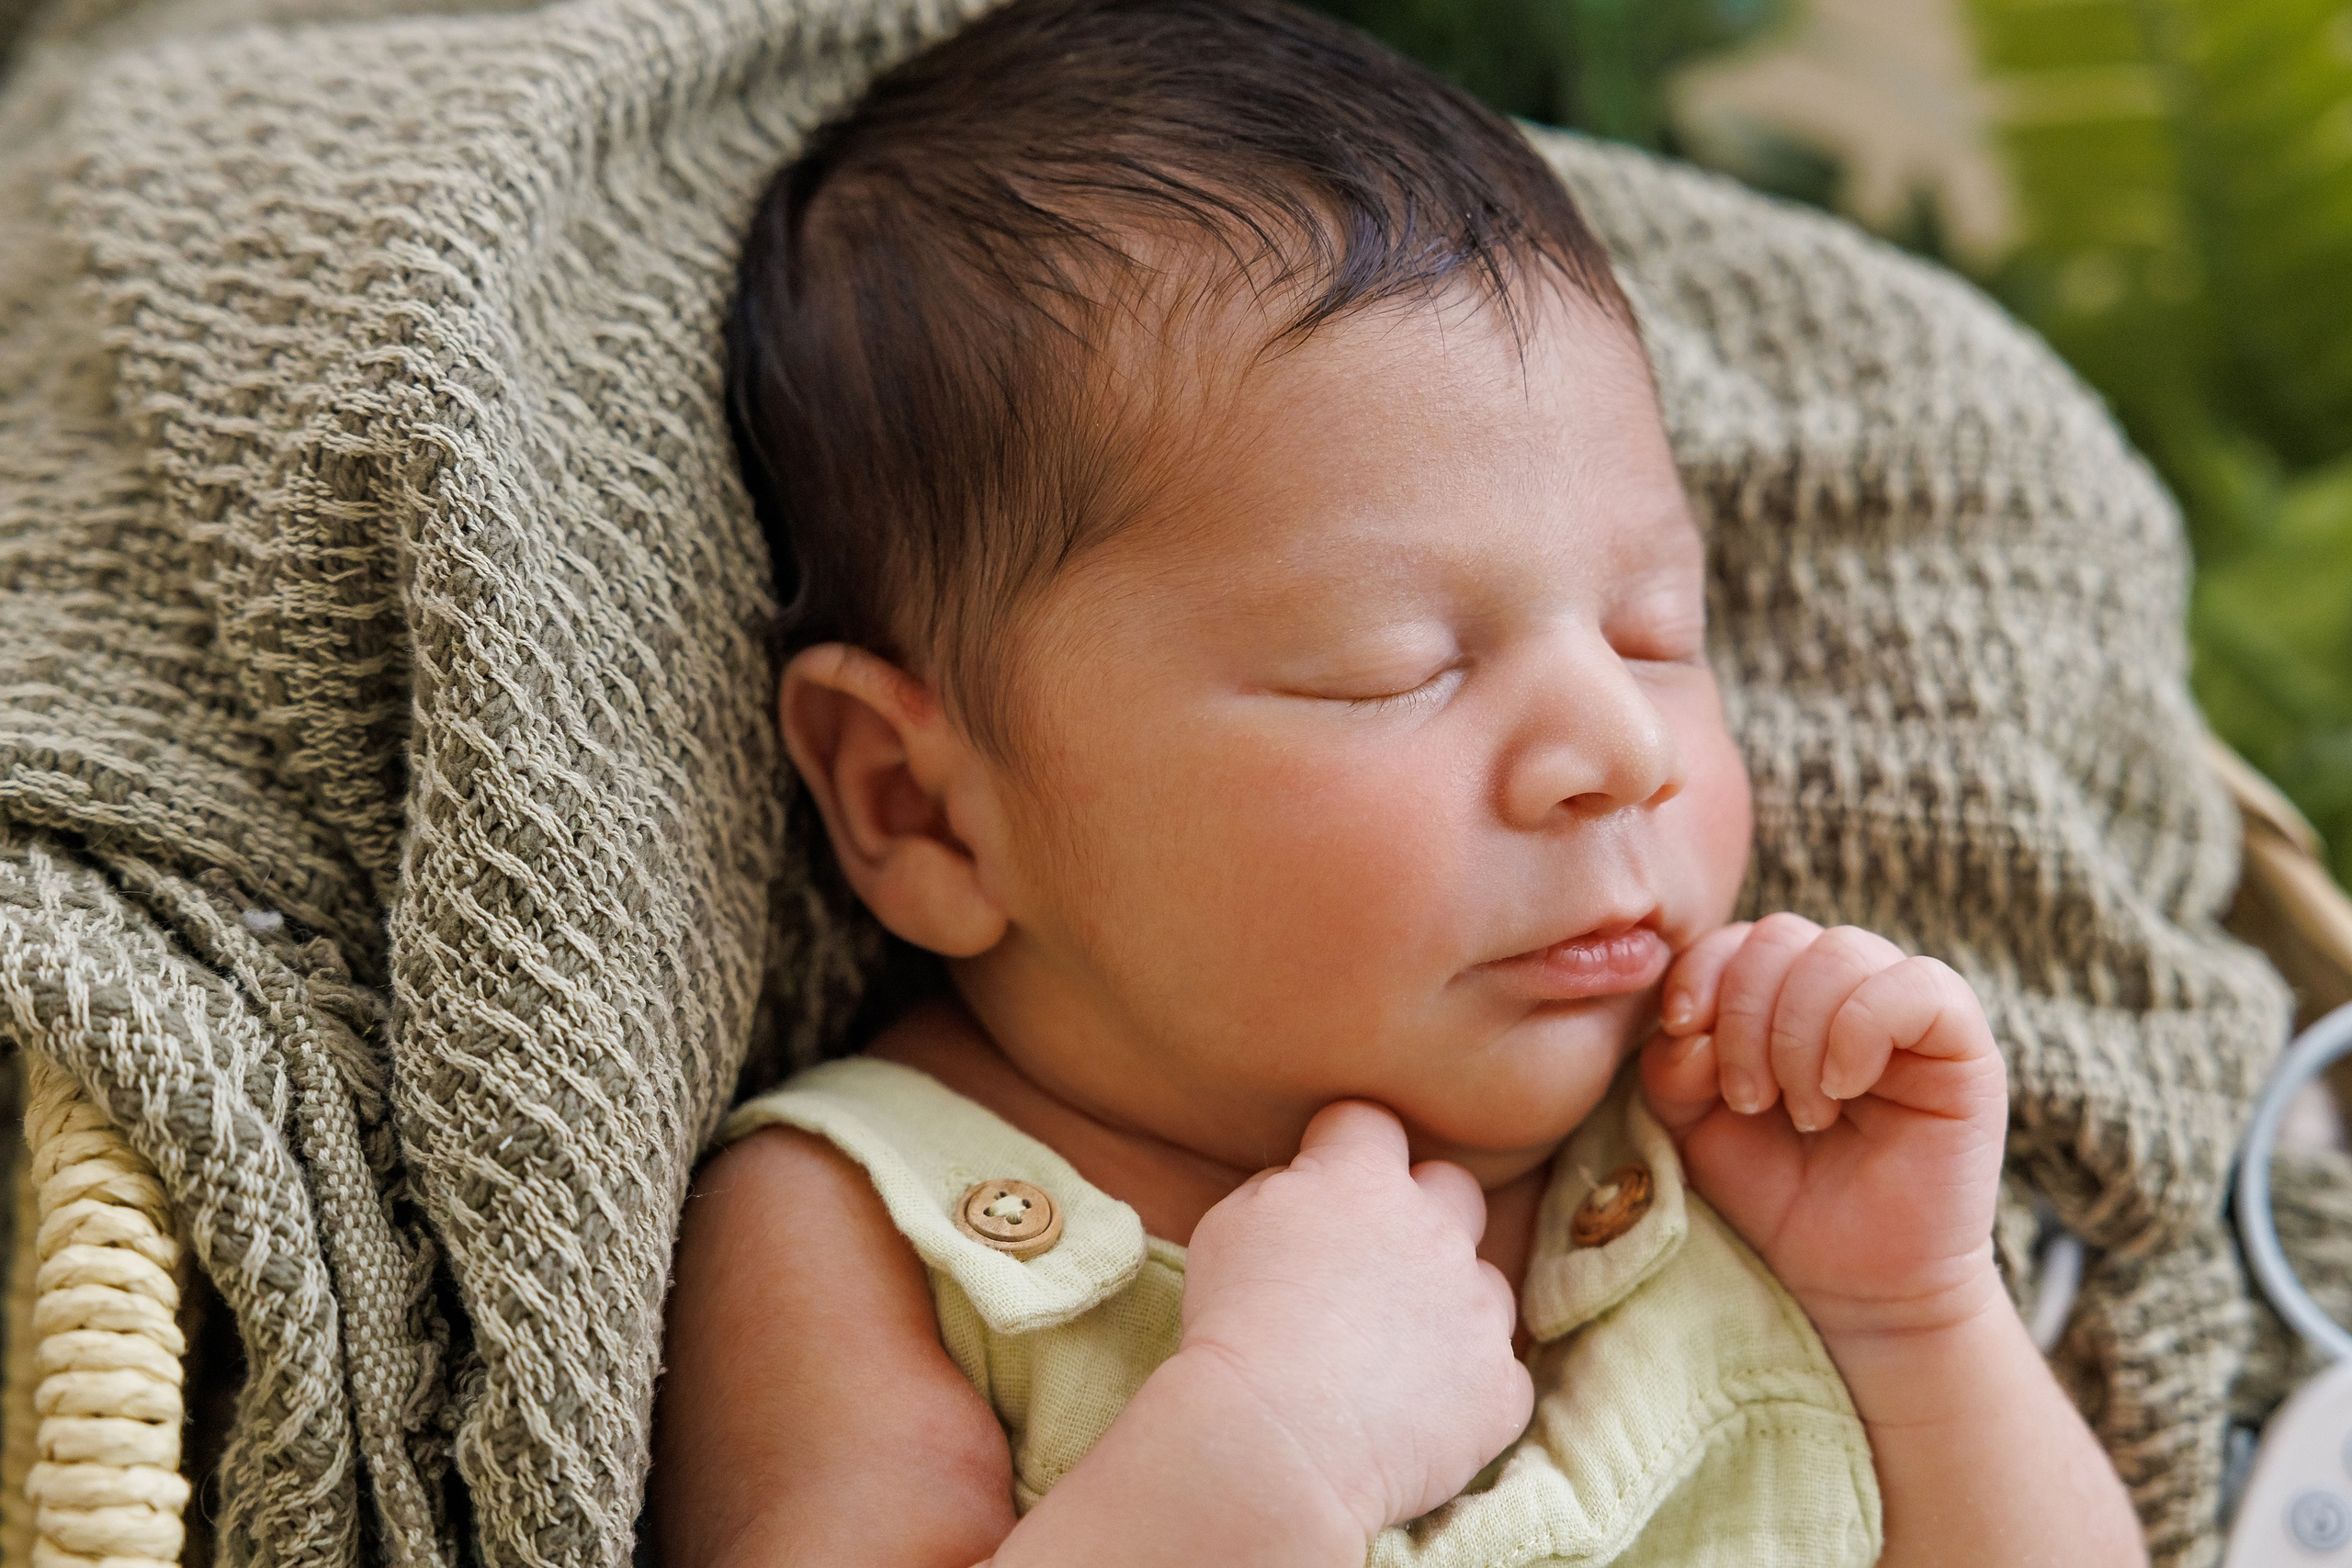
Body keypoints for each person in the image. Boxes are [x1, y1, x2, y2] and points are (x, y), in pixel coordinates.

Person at [654, 0, 2146, 1561]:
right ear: (922, 805)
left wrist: (1914, 1313)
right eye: (1394, 666)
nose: (1619, 753)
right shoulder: (865, 1230)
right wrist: (1268, 1444)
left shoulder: (1738, 1148)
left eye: (1656, 634)